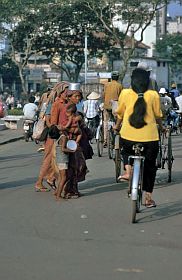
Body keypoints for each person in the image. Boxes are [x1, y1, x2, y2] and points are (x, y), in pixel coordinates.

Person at [114, 68, 163, 208]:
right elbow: (158, 116)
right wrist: (162, 127)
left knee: (125, 151)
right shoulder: (153, 95)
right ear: (147, 82)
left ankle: (128, 171)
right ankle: (148, 198)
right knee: (150, 166)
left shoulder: (125, 93)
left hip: (128, 137)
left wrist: (117, 127)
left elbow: (120, 115)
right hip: (150, 139)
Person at [34, 82, 69, 192]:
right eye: (66, 91)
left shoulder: (63, 103)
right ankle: (39, 182)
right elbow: (49, 122)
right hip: (53, 135)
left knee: (56, 160)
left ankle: (51, 178)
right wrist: (57, 128)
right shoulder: (53, 104)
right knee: (49, 159)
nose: (68, 92)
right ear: (61, 92)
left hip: (59, 134)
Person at [48, 125, 76, 200]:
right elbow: (63, 149)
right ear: (59, 131)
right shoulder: (63, 137)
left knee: (61, 177)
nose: (60, 125)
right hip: (63, 160)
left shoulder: (58, 138)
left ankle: (57, 192)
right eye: (58, 126)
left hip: (59, 160)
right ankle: (58, 196)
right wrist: (72, 151)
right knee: (64, 178)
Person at [103, 71, 123, 147]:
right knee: (119, 122)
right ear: (117, 78)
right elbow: (121, 98)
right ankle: (118, 136)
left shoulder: (106, 85)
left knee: (105, 122)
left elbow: (103, 95)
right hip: (116, 106)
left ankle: (105, 140)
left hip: (107, 106)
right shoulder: (119, 86)